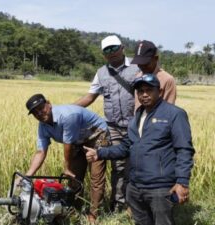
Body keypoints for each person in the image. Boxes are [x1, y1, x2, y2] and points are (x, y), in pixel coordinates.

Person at [84, 74, 194, 225]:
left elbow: (184, 150)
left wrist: (182, 182)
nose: (144, 94)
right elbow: (126, 147)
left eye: (149, 90)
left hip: (159, 188)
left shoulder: (174, 114)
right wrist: (100, 153)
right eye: (140, 91)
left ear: (160, 91)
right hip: (135, 187)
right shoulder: (137, 116)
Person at [74, 35, 140, 212]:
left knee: (138, 163)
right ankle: (118, 205)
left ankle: (135, 204)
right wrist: (68, 108)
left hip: (137, 125)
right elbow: (90, 97)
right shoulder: (101, 73)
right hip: (113, 127)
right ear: (103, 54)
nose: (111, 53)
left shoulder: (137, 67)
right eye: (106, 50)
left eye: (113, 48)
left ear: (122, 48)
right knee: (118, 166)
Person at [23, 93, 109, 222]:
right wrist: (28, 174)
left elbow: (67, 144)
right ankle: (74, 211)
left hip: (96, 134)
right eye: (35, 113)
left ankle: (94, 215)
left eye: (41, 108)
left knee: (95, 177)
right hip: (78, 140)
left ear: (49, 104)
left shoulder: (67, 116)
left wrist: (67, 167)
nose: (40, 113)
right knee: (74, 178)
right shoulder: (43, 126)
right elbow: (41, 151)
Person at [131, 40, 177, 108]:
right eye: (139, 64)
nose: (142, 66)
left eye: (145, 63)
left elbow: (169, 110)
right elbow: (137, 106)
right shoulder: (138, 77)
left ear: (156, 59)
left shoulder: (167, 80)